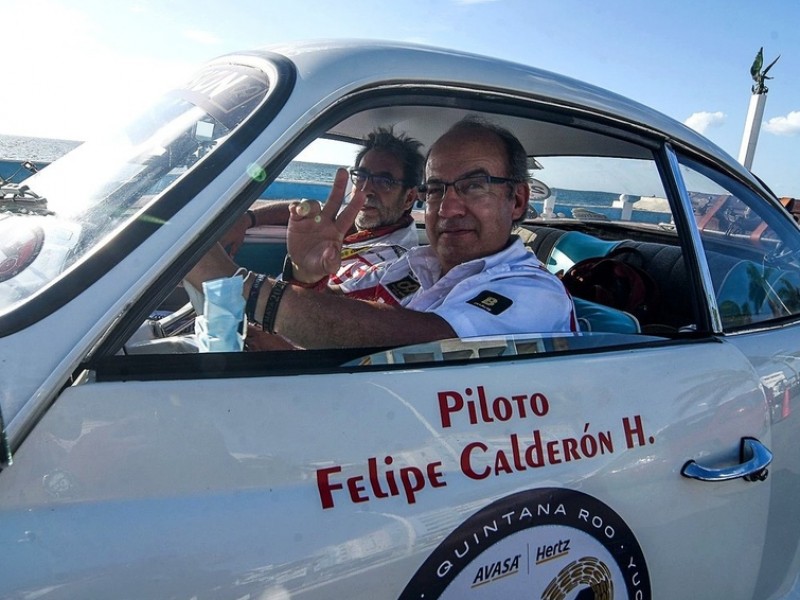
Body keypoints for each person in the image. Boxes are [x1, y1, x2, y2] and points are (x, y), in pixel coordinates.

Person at [186, 117, 575, 350]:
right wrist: (308, 276)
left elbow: (425, 343)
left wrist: (231, 284)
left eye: (474, 186)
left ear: (518, 201)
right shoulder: (416, 266)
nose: (449, 206)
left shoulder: (535, 293)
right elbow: (341, 308)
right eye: (437, 189)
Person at [220, 127, 424, 286]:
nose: (365, 190)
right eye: (361, 176)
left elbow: (329, 312)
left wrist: (305, 278)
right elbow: (302, 212)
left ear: (409, 198)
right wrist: (247, 219)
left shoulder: (397, 264)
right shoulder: (356, 227)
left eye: (383, 181)